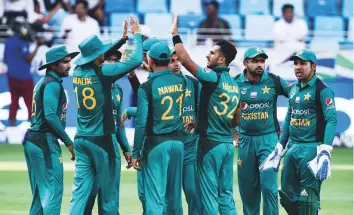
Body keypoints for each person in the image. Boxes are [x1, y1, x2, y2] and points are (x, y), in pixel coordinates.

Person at [68, 16, 143, 214]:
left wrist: (121, 39)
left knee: (80, 195)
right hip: (102, 140)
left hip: (82, 139)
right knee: (109, 196)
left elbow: (99, 52)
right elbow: (136, 60)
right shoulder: (104, 73)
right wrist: (137, 36)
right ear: (96, 57)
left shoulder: (77, 72)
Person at [171, 15, 239, 214]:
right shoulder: (234, 84)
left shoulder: (213, 77)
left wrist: (175, 35)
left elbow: (184, 59)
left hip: (210, 144)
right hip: (227, 145)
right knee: (225, 195)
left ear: (222, 59)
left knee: (208, 195)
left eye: (212, 53)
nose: (208, 56)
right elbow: (237, 116)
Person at [264, 50, 337, 215]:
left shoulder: (322, 90)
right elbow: (290, 118)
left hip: (311, 149)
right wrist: (279, 146)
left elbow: (331, 120)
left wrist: (325, 150)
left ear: (314, 66)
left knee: (307, 200)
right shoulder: (293, 89)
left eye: (303, 63)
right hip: (292, 149)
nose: (298, 67)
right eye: (296, 63)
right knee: (287, 197)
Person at [132, 42, 186, 215]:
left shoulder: (146, 87)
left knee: (155, 198)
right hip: (178, 143)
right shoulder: (181, 81)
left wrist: (135, 152)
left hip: (156, 143)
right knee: (174, 197)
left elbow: (141, 122)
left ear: (149, 59)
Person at [234, 47, 289, 215]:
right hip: (245, 141)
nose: (259, 65)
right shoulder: (234, 83)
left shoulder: (275, 81)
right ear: (245, 63)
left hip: (269, 140)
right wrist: (233, 132)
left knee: (269, 187)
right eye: (255, 61)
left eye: (262, 61)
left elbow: (296, 98)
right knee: (248, 190)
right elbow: (224, 110)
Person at [22, 45, 77, 214]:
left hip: (32, 139)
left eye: (70, 61)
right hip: (44, 139)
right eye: (65, 62)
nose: (69, 65)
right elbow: (51, 116)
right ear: (53, 65)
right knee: (53, 192)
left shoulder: (42, 82)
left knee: (40, 195)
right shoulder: (53, 84)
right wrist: (68, 142)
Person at [169, 48, 201, 215]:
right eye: (172, 60)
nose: (176, 64)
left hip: (190, 145)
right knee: (171, 195)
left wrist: (197, 121)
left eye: (178, 60)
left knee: (192, 189)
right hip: (170, 145)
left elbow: (202, 108)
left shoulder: (193, 83)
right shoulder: (161, 84)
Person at [3, 17, 43, 126]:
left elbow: (5, 60)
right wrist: (38, 46)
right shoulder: (22, 42)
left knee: (14, 100)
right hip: (24, 77)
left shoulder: (8, 41)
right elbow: (28, 59)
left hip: (11, 76)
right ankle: (34, 125)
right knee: (30, 101)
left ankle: (12, 125)